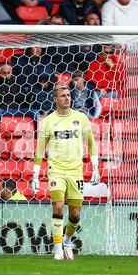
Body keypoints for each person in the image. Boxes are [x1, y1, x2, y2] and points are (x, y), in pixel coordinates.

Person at [31, 84, 100, 260]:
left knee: (75, 214)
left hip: (76, 171)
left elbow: (91, 143)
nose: (67, 98)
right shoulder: (47, 121)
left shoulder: (81, 118)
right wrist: (35, 175)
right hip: (56, 170)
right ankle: (57, 249)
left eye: (69, 95)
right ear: (55, 99)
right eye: (63, 95)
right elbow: (40, 150)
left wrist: (95, 167)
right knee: (58, 207)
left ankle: (67, 241)